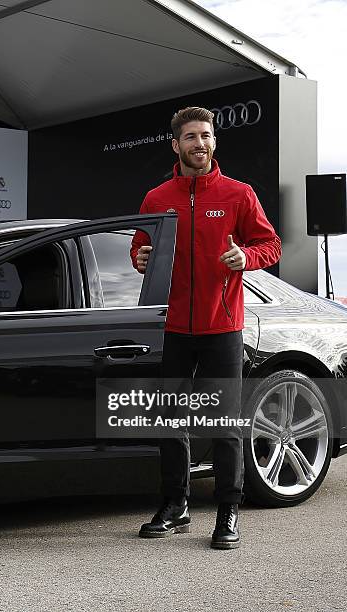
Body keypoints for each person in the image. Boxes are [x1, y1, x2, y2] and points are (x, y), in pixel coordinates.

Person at [130, 106, 281, 549]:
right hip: (175, 327)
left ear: (214, 142)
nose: (201, 143)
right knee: (171, 420)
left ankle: (228, 511)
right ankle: (175, 507)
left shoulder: (238, 194)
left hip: (222, 326)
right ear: (176, 145)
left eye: (208, 136)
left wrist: (245, 258)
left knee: (225, 422)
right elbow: (141, 248)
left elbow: (269, 244)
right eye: (192, 137)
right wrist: (138, 258)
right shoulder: (157, 198)